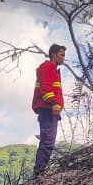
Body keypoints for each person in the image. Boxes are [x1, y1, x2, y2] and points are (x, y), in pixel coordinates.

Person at [31, 43, 65, 176]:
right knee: (48, 142)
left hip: (50, 110)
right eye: (61, 55)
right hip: (48, 110)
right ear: (53, 54)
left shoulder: (53, 69)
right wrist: (54, 103)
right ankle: (39, 174)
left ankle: (39, 173)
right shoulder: (48, 67)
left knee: (48, 141)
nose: (63, 58)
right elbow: (45, 89)